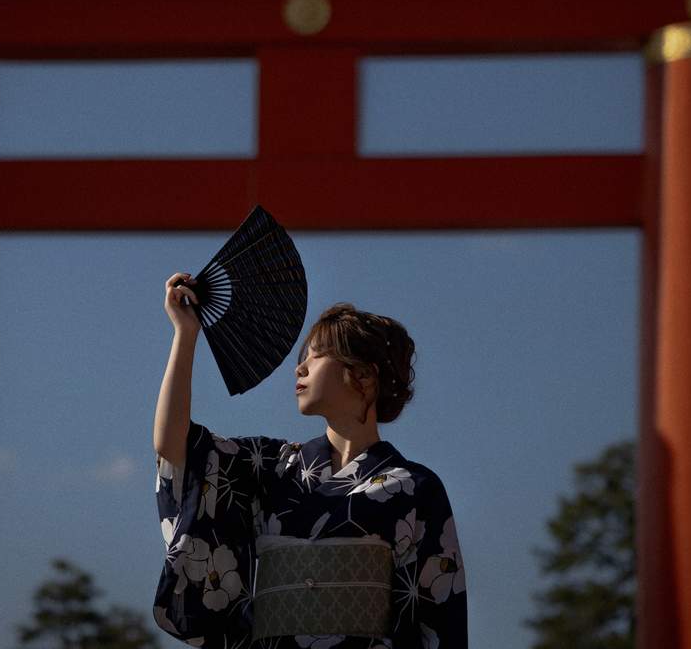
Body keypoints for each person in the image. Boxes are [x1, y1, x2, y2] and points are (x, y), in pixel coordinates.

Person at [152, 271, 468, 649]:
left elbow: (441, 621)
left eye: (317, 357)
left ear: (364, 376)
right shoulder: (274, 467)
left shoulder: (415, 488)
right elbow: (175, 445)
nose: (299, 368)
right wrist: (185, 334)